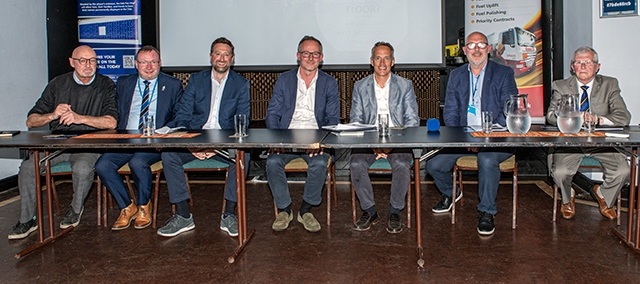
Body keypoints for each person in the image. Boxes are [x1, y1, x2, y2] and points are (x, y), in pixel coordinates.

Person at [8, 45, 118, 240]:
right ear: (72, 62)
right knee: (28, 167)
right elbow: (31, 120)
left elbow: (111, 122)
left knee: (83, 168)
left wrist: (80, 118)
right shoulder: (58, 84)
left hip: (89, 143)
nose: (88, 65)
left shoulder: (106, 84)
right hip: (59, 144)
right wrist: (52, 115)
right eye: (82, 60)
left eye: (92, 60)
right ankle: (27, 220)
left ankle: (75, 209)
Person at [157, 37, 251, 238]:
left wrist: (214, 147)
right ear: (211, 57)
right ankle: (183, 216)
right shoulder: (196, 80)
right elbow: (182, 116)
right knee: (169, 154)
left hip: (224, 144)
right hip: (196, 140)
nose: (222, 58)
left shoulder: (241, 84)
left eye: (226, 54)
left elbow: (242, 122)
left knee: (243, 157)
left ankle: (229, 215)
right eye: (218, 53)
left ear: (232, 59)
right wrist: (194, 145)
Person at [426, 31, 518, 236]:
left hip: (496, 139)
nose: (476, 49)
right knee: (433, 165)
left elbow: (510, 109)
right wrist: (460, 138)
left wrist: (485, 137)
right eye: (472, 45)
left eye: (481, 45)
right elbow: (450, 111)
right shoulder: (456, 75)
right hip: (463, 138)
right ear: (464, 50)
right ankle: (452, 193)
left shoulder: (503, 73)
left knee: (486, 159)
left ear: (489, 49)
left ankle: (486, 211)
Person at [94, 46, 183, 230]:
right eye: (144, 62)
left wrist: (164, 131)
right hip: (127, 139)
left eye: (153, 62)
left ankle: (144, 206)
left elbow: (181, 116)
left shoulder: (172, 84)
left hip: (156, 142)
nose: (149, 67)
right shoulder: (123, 83)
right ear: (136, 64)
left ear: (160, 63)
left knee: (138, 162)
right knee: (102, 165)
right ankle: (127, 206)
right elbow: (114, 111)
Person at [265, 35, 340, 233]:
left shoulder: (330, 83)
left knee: (320, 163)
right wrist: (277, 141)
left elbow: (332, 121)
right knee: (272, 162)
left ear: (321, 57)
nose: (310, 57)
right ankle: (284, 210)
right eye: (306, 53)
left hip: (316, 140)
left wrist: (320, 143)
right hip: (286, 138)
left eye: (315, 54)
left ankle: (305, 210)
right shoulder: (284, 80)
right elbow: (272, 114)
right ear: (298, 56)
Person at [546, 46, 631, 220]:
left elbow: (623, 117)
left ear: (597, 66)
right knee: (560, 171)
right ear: (572, 67)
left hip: (601, 142)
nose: (583, 66)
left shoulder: (610, 84)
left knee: (623, 170)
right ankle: (567, 197)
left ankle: (603, 194)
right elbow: (550, 116)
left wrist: (598, 120)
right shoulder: (560, 86)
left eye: (588, 62)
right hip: (571, 142)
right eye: (579, 62)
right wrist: (571, 116)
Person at [349, 42, 419, 233]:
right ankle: (370, 211)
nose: (382, 62)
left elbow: (412, 122)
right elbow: (356, 122)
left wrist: (390, 146)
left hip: (398, 140)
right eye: (378, 58)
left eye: (386, 58)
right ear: (371, 61)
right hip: (369, 140)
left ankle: (395, 211)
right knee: (355, 164)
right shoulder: (360, 86)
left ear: (393, 61)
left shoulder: (405, 86)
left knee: (403, 164)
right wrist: (374, 146)